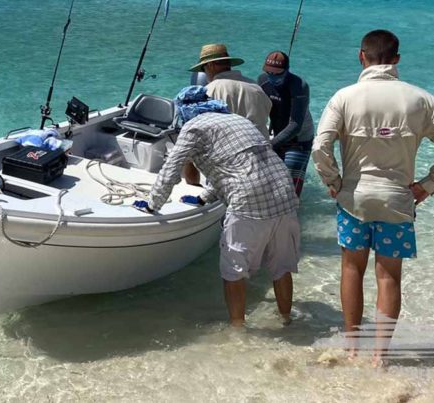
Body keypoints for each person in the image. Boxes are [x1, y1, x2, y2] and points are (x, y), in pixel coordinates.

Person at [312, 29, 434, 363]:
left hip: (353, 199)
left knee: (352, 269)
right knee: (389, 276)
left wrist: (334, 181)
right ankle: (380, 356)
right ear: (396, 59)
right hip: (398, 200)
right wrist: (428, 184)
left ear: (361, 56)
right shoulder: (420, 99)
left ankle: (353, 346)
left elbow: (319, 146)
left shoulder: (344, 97)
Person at [135, 86, 300, 326]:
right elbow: (237, 165)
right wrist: (206, 197)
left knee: (233, 271)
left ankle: (237, 331)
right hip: (284, 193)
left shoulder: (194, 127)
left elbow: (172, 168)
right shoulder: (236, 119)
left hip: (248, 202)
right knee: (281, 267)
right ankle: (287, 321)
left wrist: (152, 204)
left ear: (183, 110)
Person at [258, 51, 315, 197]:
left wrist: (270, 145)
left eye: (277, 74)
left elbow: (295, 125)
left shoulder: (299, 85)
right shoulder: (262, 81)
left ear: (287, 70)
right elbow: (261, 110)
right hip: (277, 134)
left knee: (289, 192)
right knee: (268, 184)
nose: (272, 77)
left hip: (299, 139)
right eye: (269, 72)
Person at [189, 43, 272, 137]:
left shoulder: (210, 91)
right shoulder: (255, 86)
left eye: (203, 69)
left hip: (233, 149)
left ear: (210, 65)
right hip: (263, 146)